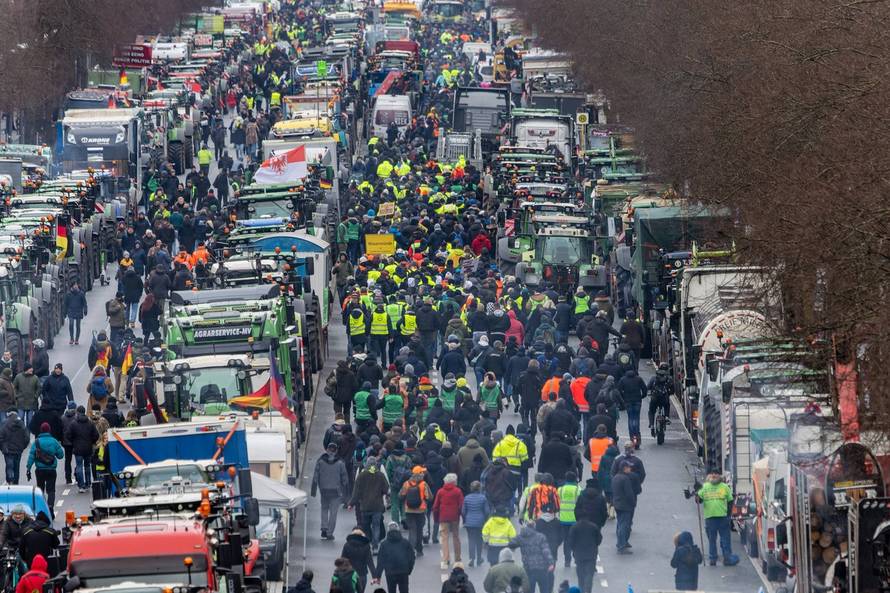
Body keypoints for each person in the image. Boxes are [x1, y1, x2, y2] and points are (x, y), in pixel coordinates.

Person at [697, 473, 738, 566]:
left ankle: (713, 559)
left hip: (710, 517)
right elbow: (730, 501)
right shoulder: (724, 486)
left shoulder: (705, 487)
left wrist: (696, 493)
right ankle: (727, 558)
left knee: (712, 539)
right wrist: (728, 515)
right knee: (725, 538)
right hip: (722, 517)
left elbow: (698, 500)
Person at [311, 442, 349, 540]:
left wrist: (313, 490)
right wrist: (346, 494)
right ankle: (329, 533)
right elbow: (345, 479)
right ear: (336, 451)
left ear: (327, 449)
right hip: (336, 491)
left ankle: (324, 527)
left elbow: (315, 476)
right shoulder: (340, 463)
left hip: (323, 490)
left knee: (324, 509)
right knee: (333, 512)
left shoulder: (320, 461)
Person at [350, 456, 390, 551]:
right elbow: (386, 489)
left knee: (366, 526)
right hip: (377, 506)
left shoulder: (362, 475)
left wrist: (351, 503)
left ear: (366, 464)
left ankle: (368, 542)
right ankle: (375, 546)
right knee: (376, 526)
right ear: (375, 464)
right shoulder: (380, 475)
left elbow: (356, 492)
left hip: (365, 506)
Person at [26, 422, 64, 513]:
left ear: (41, 430)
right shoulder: (54, 441)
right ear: (49, 430)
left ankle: (42, 509)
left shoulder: (36, 442)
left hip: (39, 470)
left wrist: (28, 468)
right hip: (51, 470)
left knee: (40, 489)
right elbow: (61, 455)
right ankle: (50, 506)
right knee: (51, 490)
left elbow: (31, 455)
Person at [509, 525, 555, 593]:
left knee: (529, 590)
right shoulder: (541, 536)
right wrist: (551, 563)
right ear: (534, 528)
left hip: (528, 569)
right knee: (544, 589)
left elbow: (511, 544)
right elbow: (546, 550)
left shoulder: (521, 537)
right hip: (542, 568)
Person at [433, 473, 464, 570]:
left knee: (444, 538)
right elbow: (461, 505)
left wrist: (436, 518)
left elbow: (435, 507)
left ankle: (446, 559)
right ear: (454, 481)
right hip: (454, 517)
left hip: (443, 517)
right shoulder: (458, 491)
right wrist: (461, 516)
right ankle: (458, 558)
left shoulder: (440, 492)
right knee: (456, 537)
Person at [374, 522, 415, 593]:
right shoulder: (405, 542)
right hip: (403, 571)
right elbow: (411, 558)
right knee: (404, 591)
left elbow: (380, 561)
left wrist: (378, 576)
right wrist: (409, 569)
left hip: (390, 572)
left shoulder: (384, 544)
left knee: (391, 591)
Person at [65, 405, 99, 493]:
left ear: (77, 412)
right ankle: (88, 483)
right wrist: (91, 441)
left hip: (78, 448)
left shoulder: (73, 423)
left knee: (79, 466)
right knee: (87, 466)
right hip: (88, 448)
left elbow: (68, 435)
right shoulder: (90, 423)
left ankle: (81, 485)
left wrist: (73, 442)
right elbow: (96, 435)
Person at [399, 467, 432, 555]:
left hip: (409, 510)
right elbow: (429, 497)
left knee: (412, 530)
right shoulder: (424, 484)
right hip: (421, 510)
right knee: (419, 530)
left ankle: (410, 550)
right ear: (420, 474)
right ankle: (419, 550)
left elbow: (401, 496)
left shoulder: (406, 483)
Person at [567, 515, 602, 593]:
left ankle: (582, 589)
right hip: (591, 555)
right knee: (589, 574)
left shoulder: (574, 527)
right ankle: (588, 590)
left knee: (581, 575)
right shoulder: (593, 527)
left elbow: (570, 542)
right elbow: (599, 539)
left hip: (579, 555)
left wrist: (574, 550)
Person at [611, 462, 641, 554]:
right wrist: (632, 503)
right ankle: (621, 545)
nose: (630, 469)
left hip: (617, 504)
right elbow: (629, 493)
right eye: (628, 467)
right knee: (624, 525)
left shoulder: (615, 477)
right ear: (624, 468)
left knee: (620, 524)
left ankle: (621, 542)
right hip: (625, 505)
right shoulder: (625, 479)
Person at [461, 481, 490, 567]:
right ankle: (479, 558)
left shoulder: (467, 498)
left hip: (469, 523)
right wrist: (485, 519)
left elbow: (463, 511)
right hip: (480, 523)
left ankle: (472, 559)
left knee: (471, 540)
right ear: (479, 488)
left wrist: (466, 518)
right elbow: (487, 511)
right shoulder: (483, 498)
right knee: (479, 541)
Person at [617, 369, 647, 448]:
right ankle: (637, 438)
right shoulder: (638, 379)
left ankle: (632, 438)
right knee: (636, 419)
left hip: (628, 402)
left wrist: (623, 399)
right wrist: (641, 396)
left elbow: (619, 391)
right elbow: (645, 389)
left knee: (630, 419)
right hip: (637, 401)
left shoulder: (623, 380)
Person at [557, 472, 580, 567]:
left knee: (566, 540)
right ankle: (576, 557)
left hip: (563, 518)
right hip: (575, 518)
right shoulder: (578, 490)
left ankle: (567, 560)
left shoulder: (560, 490)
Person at [342, 528, 376, 593]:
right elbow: (370, 562)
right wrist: (374, 576)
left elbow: (342, 560)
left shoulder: (347, 545)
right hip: (362, 575)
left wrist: (339, 574)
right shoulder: (366, 546)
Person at [0, 411, 30, 484]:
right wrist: (22, 447)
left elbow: (1, 437)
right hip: (18, 450)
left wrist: (3, 448)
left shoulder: (4, 423)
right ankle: (16, 483)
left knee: (9, 466)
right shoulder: (21, 423)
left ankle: (10, 481)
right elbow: (27, 437)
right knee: (16, 468)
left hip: (8, 450)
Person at [13, 364, 40, 429]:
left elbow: (39, 388)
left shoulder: (35, 378)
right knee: (20, 419)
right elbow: (14, 387)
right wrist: (16, 396)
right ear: (26, 369)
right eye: (31, 368)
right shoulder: (18, 377)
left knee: (29, 421)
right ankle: (21, 433)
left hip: (31, 403)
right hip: (20, 402)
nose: (32, 370)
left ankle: (27, 435)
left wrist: (35, 396)